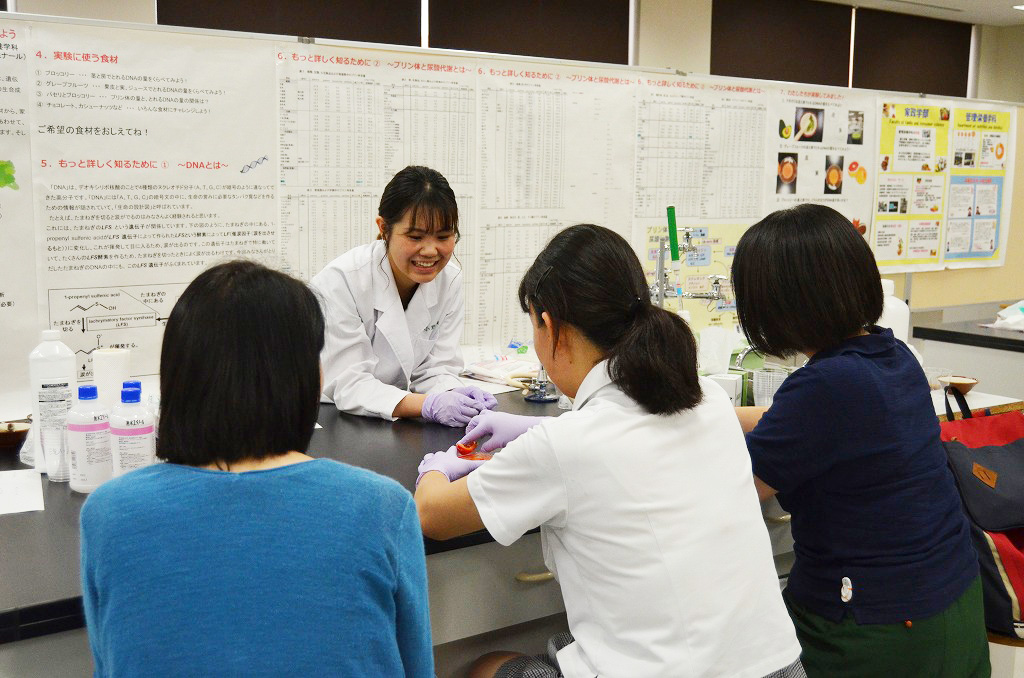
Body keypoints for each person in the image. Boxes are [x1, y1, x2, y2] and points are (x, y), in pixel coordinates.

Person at [414, 224, 804, 678]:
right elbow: (630, 432)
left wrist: (438, 467)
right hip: (780, 667)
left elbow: (432, 516)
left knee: (486, 666)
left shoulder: (566, 448)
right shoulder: (711, 400)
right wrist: (538, 429)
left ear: (549, 326)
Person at [80, 261, 433, 677]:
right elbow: (416, 668)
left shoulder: (109, 514)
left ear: (177, 378)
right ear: (307, 377)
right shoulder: (381, 508)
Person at [731, 204, 989, 677]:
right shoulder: (892, 355)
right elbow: (797, 422)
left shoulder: (824, 386)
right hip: (953, 600)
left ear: (781, 306)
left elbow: (738, 486)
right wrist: (716, 414)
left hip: (878, 626)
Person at [311, 165, 495, 425]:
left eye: (443, 236)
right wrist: (429, 405)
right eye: (415, 236)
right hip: (335, 419)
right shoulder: (342, 281)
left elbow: (436, 368)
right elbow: (350, 385)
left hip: (399, 415)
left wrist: (456, 395)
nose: (430, 251)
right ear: (384, 228)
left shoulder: (449, 279)